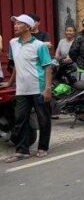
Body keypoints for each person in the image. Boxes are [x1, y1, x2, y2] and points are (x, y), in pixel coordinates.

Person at [1, 14, 52, 162]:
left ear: (28, 27)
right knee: (20, 119)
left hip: (39, 88)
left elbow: (47, 67)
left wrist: (47, 88)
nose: (15, 26)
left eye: (19, 24)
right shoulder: (12, 43)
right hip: (22, 89)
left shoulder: (39, 46)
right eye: (15, 24)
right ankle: (22, 150)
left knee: (43, 119)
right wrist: (10, 83)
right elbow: (16, 64)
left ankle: (43, 147)